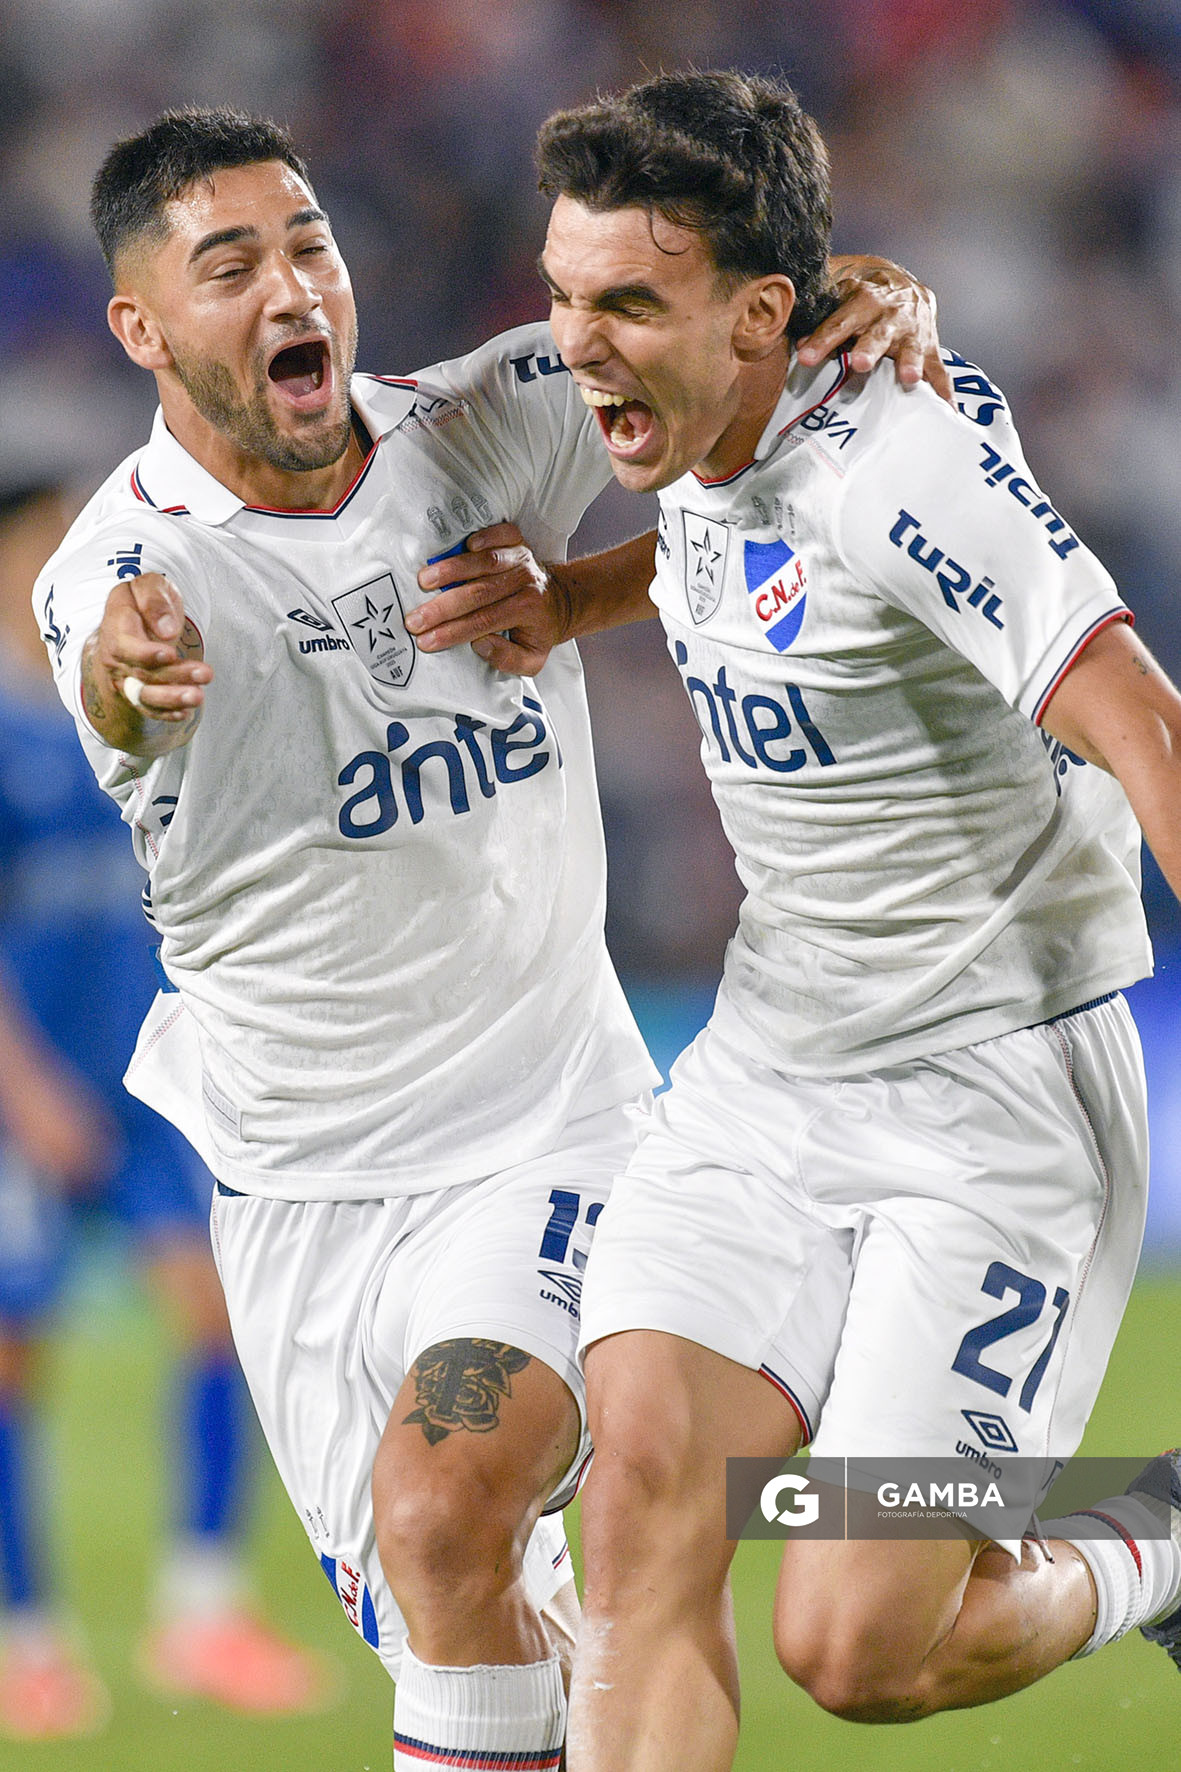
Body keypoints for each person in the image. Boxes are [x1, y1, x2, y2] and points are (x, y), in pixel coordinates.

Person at [34, 106, 939, 1766]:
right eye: (229, 263)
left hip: (552, 1129)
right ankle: (1096, 1525)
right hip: (300, 1201)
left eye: (307, 241)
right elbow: (106, 659)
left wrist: (871, 301)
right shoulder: (125, 573)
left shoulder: (495, 416)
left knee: (452, 1502)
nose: (292, 281)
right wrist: (126, 669)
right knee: (483, 1612)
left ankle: (1053, 1520)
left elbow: (765, 380)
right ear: (142, 328)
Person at [409, 69, 1181, 1772]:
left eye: (623, 301)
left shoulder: (911, 462)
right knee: (641, 1505)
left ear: (763, 316)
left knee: (860, 1642)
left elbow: (1145, 723)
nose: (575, 342)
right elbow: (716, 553)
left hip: (992, 1113)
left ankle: (1149, 1537)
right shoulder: (705, 410)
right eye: (558, 292)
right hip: (763, 1079)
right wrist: (570, 595)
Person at [0, 479, 332, 1739]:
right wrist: (25, 1093)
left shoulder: (127, 720)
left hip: (151, 1089)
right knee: (15, 1364)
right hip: (31, 1099)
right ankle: (28, 1644)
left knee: (218, 1321)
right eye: (40, 546)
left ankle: (201, 1613)